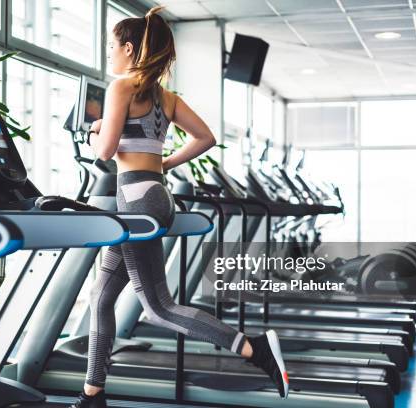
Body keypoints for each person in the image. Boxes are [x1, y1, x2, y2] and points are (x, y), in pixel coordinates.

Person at [70, 6, 288, 408]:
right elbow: (205, 137)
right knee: (102, 295)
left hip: (135, 200)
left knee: (158, 307)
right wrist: (165, 163)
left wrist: (95, 128)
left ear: (130, 49)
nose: (109, 55)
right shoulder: (165, 97)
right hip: (151, 193)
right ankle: (92, 394)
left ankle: (253, 348)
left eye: (112, 47)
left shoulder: (121, 88)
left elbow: (104, 152)